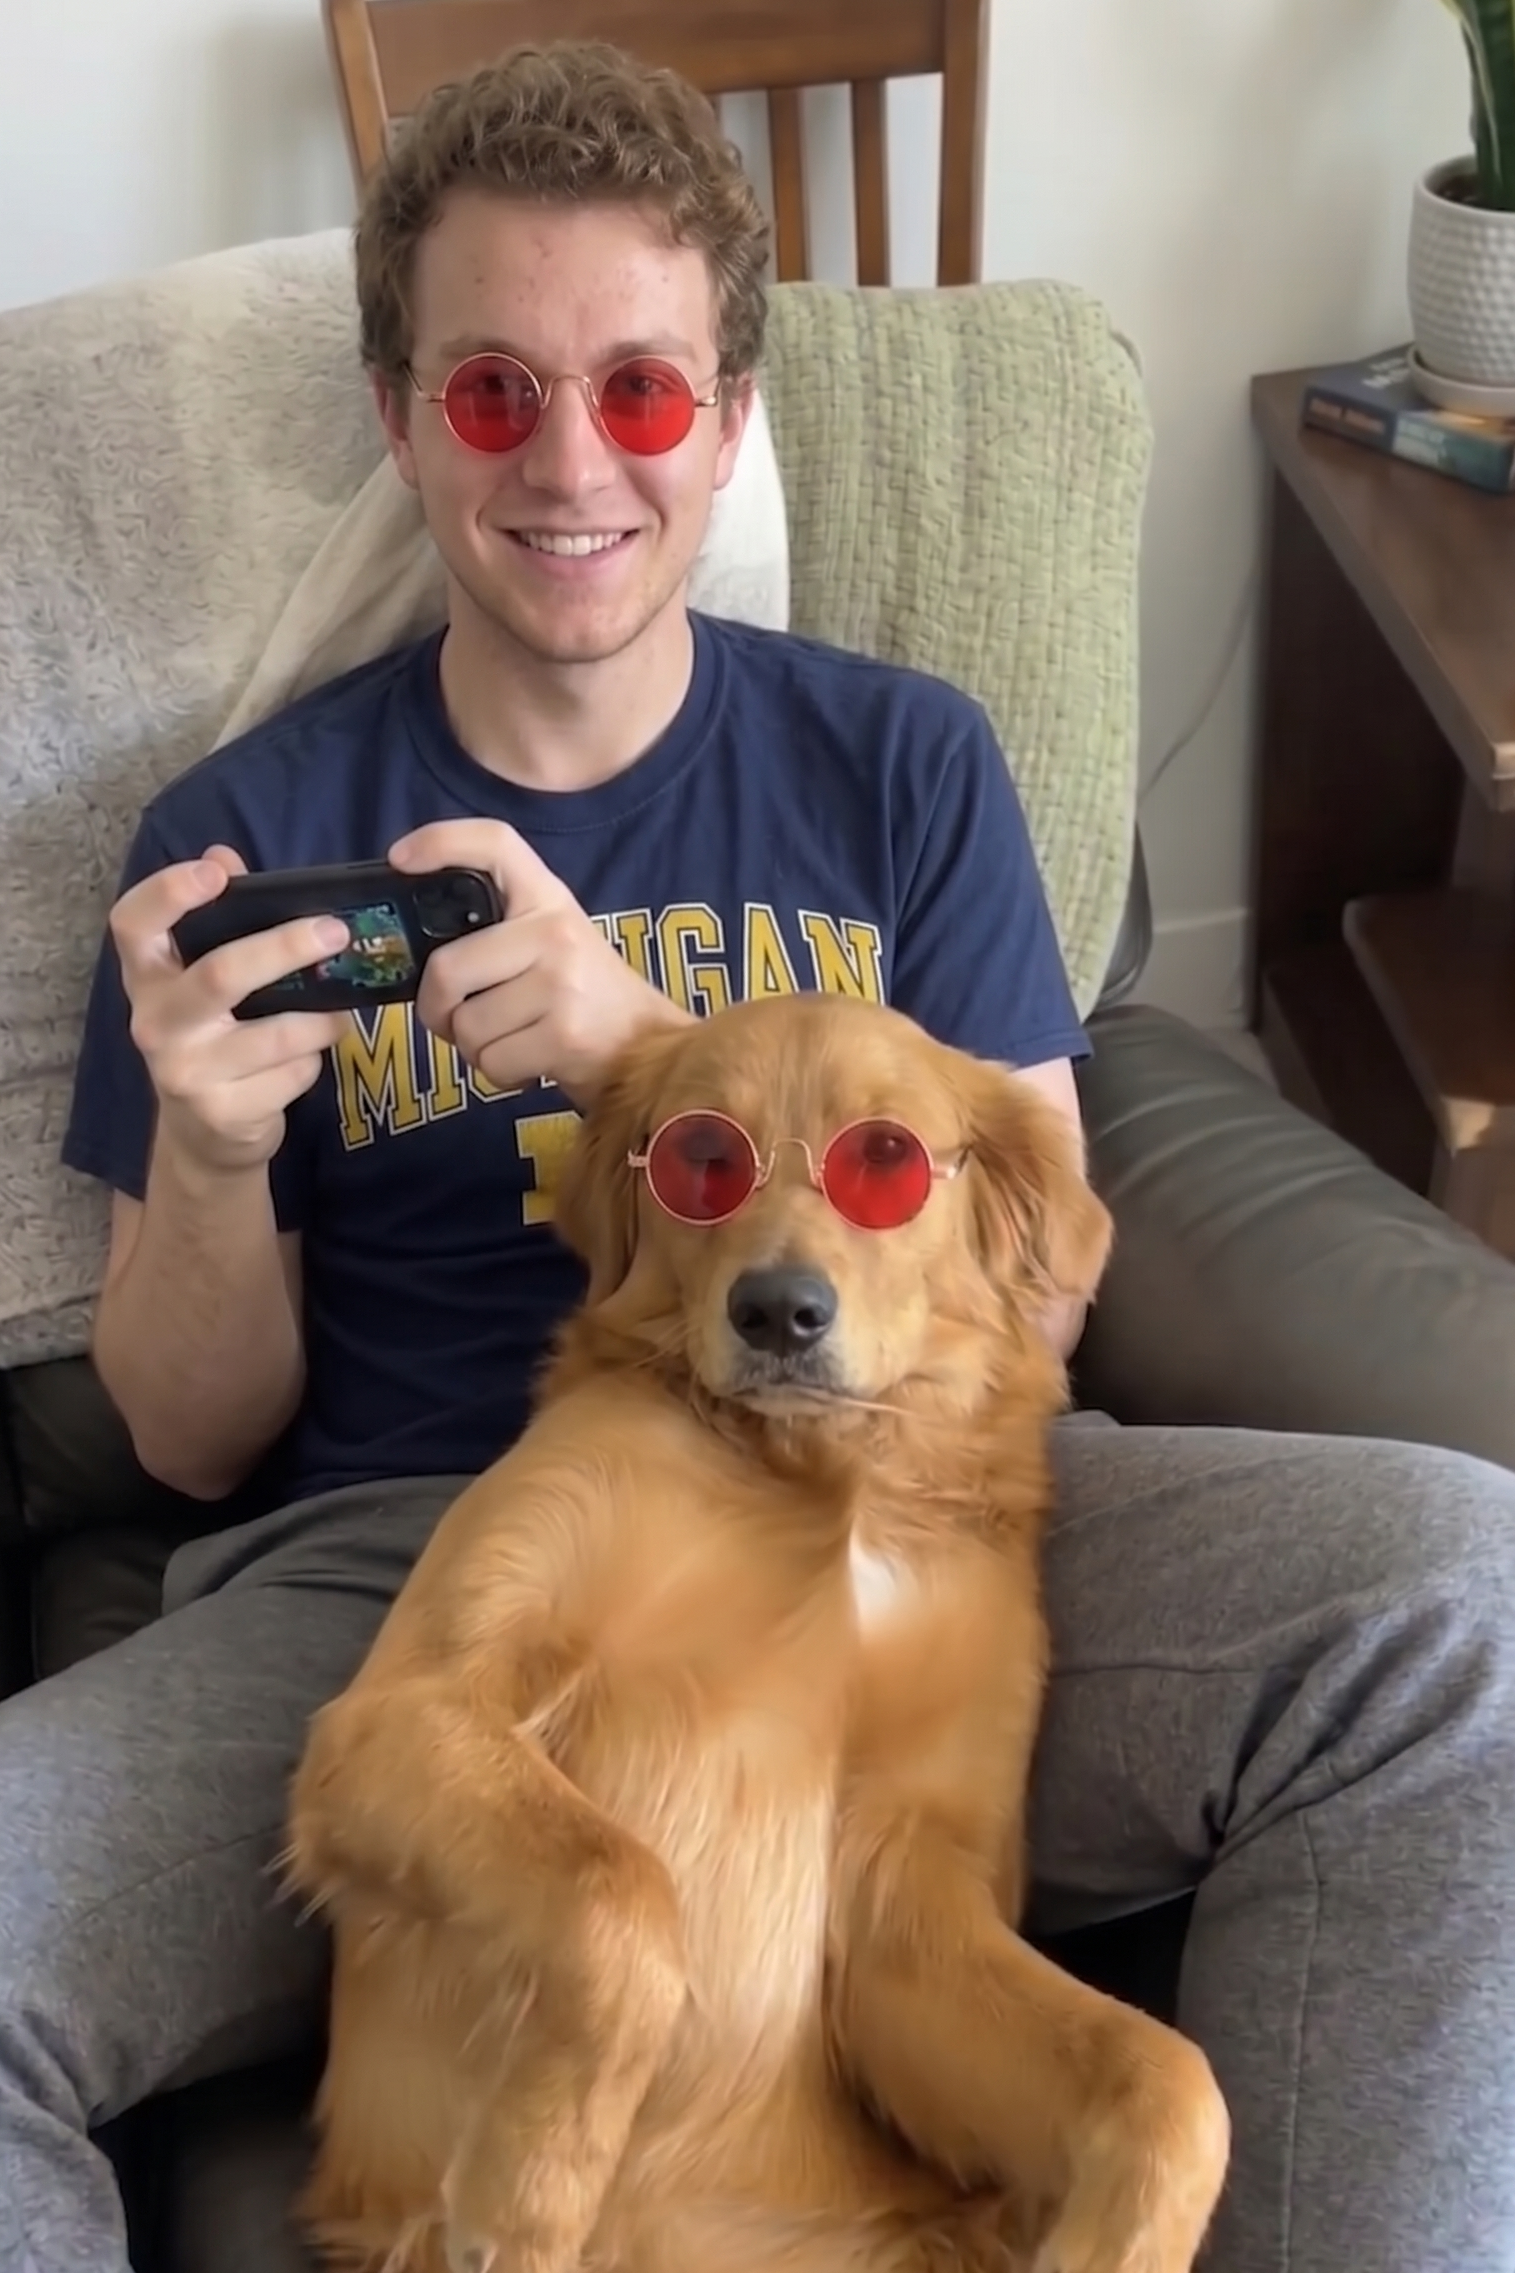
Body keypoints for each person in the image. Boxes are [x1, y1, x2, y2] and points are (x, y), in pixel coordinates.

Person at [1, 37, 1513, 2273]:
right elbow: (189, 1438)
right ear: (406, 416)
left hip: (901, 1510)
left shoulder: (897, 761)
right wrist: (216, 1162)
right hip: (410, 1563)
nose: (574, 464)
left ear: (725, 421)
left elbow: (1052, 1273)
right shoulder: (249, 838)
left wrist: (659, 1068)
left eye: (640, 389)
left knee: (1465, 1602)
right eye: (496, 394)